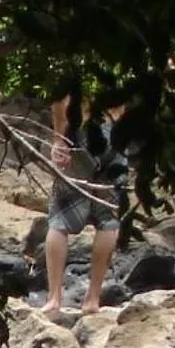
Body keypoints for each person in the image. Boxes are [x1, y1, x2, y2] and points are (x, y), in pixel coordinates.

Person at [42, 83, 131, 313]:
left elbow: (61, 97)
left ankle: (54, 298)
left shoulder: (78, 57)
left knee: (59, 219)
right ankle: (92, 299)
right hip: (116, 132)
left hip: (81, 132)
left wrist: (59, 138)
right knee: (108, 216)